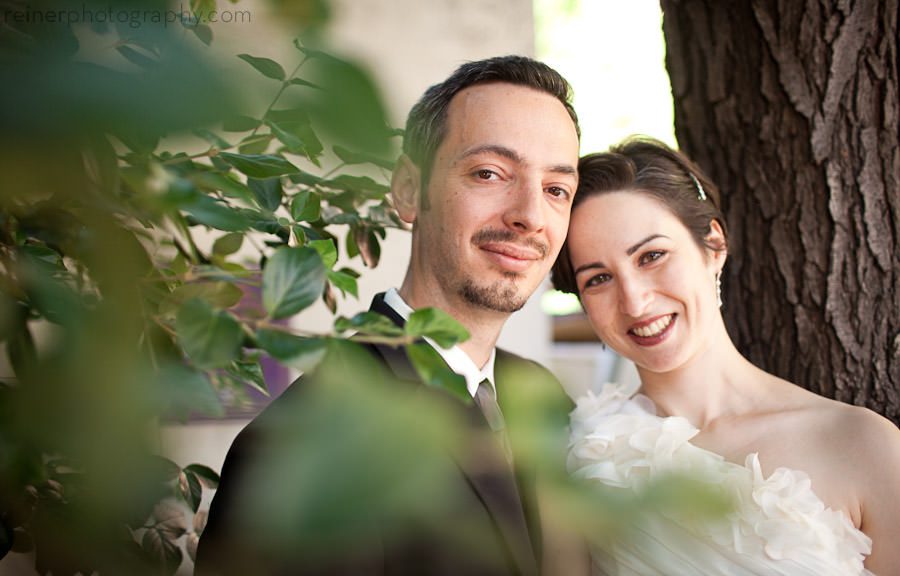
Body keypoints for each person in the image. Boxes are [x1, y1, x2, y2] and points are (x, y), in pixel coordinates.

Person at [195, 55, 581, 575]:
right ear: (407, 189)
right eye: (490, 173)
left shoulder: (544, 401)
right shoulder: (299, 448)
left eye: (556, 189)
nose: (530, 215)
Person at [551, 137, 900, 576]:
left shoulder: (863, 445)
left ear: (713, 245)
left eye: (652, 256)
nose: (635, 303)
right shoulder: (580, 458)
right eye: (598, 278)